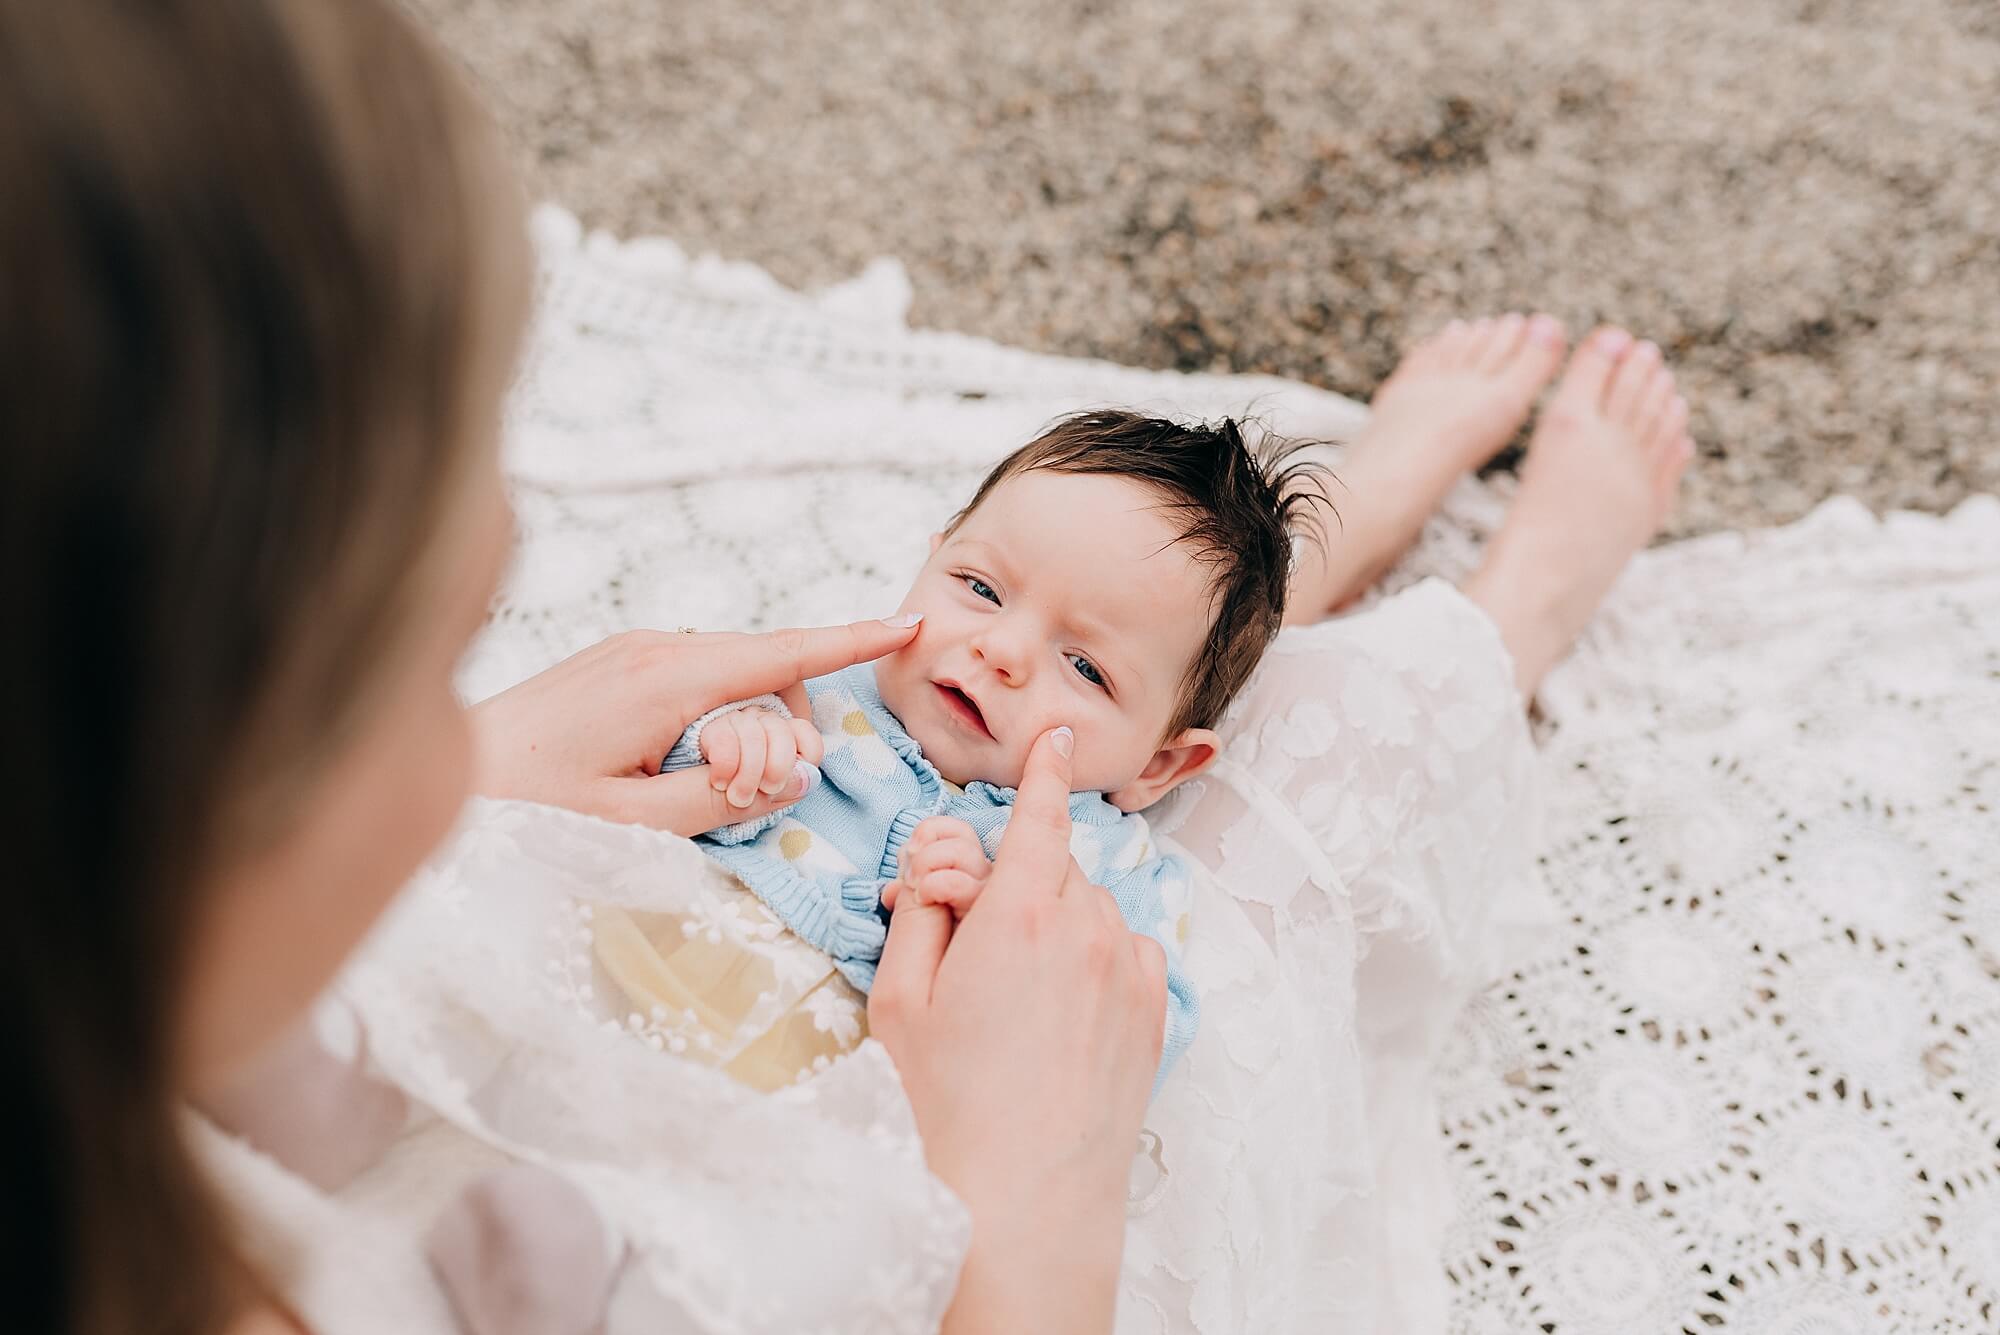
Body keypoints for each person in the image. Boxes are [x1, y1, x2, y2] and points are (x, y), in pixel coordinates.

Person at [0, 2, 1689, 1333]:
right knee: (1289, 847)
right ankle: (1495, 612)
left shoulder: (149, 1063)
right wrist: (1030, 1217)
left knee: (1220, 721)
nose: (509, 556)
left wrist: (502, 767)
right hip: (880, 1133)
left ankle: (1329, 549)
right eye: (411, 655)